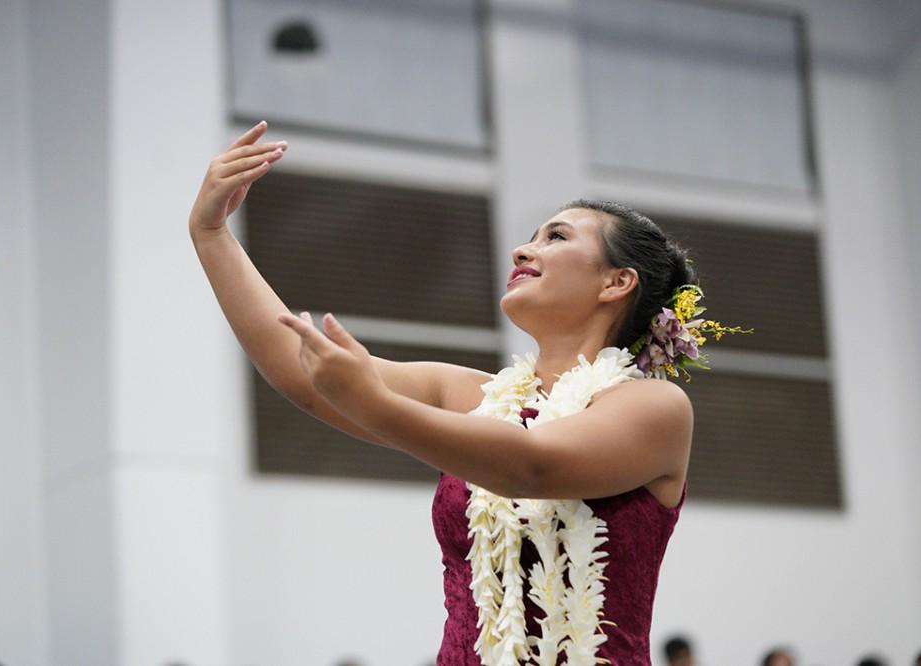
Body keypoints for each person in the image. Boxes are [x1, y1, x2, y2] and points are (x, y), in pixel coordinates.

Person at [190, 122, 745, 666]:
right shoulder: (468, 393)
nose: (522, 251)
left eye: (555, 237)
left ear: (616, 282)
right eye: (531, 237)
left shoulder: (654, 406)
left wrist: (375, 405)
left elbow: (531, 467)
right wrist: (212, 234)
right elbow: (301, 372)